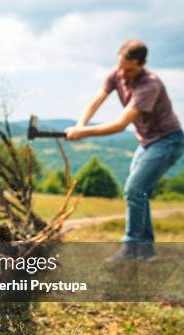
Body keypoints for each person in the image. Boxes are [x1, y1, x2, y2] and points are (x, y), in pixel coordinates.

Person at [65, 40, 183, 261]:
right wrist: (81, 124)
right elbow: (95, 101)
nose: (123, 73)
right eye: (121, 67)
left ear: (142, 64)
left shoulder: (150, 85)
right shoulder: (117, 72)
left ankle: (130, 247)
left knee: (135, 189)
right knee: (140, 192)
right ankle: (146, 251)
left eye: (129, 69)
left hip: (168, 140)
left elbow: (121, 124)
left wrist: (84, 133)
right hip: (147, 141)